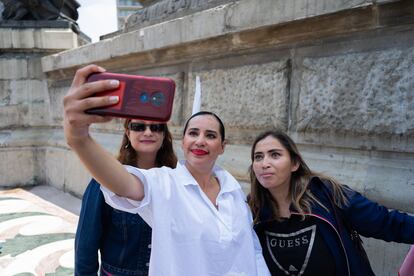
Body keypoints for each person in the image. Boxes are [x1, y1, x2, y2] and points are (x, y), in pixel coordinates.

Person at [63, 64, 270, 276]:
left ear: (222, 146)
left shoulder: (231, 189)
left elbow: (247, 248)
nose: (200, 141)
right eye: (193, 133)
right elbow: (124, 188)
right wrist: (78, 137)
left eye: (210, 135)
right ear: (183, 142)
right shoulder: (163, 183)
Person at [247, 129, 414, 276]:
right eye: (258, 157)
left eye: (275, 155)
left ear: (295, 164)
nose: (264, 164)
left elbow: (388, 223)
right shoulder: (251, 210)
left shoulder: (329, 195)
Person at [75, 118, 177, 276]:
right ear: (128, 133)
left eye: (156, 127)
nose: (148, 132)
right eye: (139, 127)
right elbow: (86, 243)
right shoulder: (105, 180)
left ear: (164, 135)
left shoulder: (175, 181)